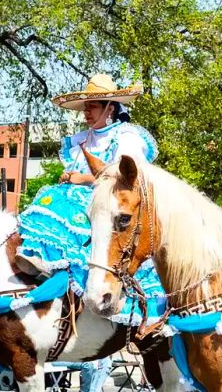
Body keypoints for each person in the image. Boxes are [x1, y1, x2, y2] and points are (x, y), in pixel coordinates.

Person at [15, 73, 158, 295]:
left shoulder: (126, 137)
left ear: (110, 108)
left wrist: (83, 179)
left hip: (109, 204)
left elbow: (127, 181)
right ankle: (43, 259)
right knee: (51, 197)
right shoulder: (82, 139)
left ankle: (78, 270)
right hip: (79, 198)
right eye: (85, 107)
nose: (86, 112)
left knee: (75, 212)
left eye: (91, 107)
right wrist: (68, 177)